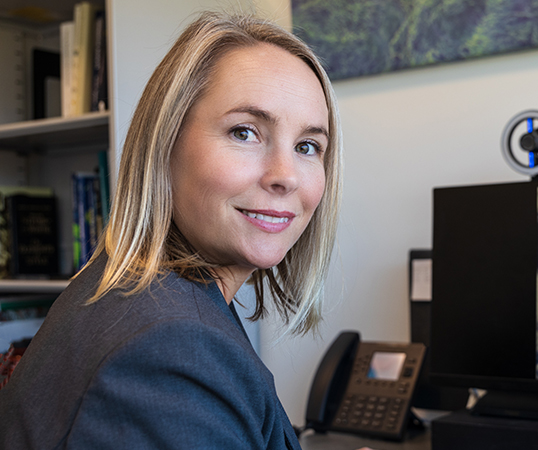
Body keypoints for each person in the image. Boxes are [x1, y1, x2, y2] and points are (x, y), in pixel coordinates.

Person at [0, 11, 342, 450]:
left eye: (307, 146)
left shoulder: (156, 298)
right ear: (165, 145)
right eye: (244, 132)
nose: (286, 176)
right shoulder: (168, 351)